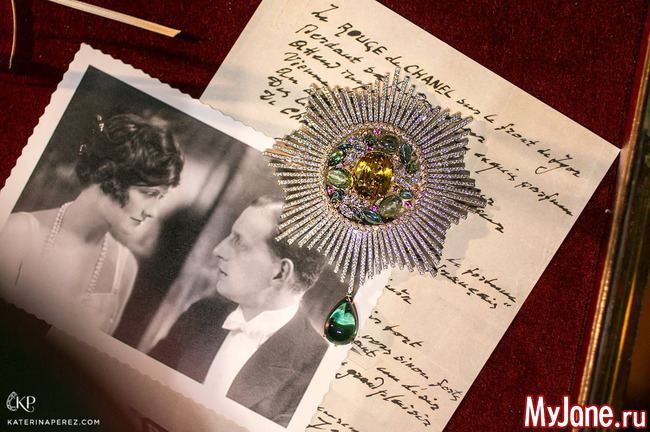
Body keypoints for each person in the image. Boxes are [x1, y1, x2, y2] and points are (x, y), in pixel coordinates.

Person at [149, 196, 328, 427]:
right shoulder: (202, 312)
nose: (218, 250)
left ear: (280, 273)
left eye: (239, 242)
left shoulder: (317, 368)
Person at [0, 114, 183, 334]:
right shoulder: (17, 233)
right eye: (148, 193)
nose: (153, 212)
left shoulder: (125, 268)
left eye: (160, 197)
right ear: (110, 175)